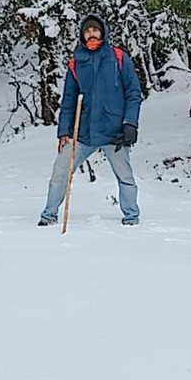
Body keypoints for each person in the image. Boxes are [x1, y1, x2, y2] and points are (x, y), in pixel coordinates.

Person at [38, 13, 142, 227]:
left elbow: (133, 93)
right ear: (82, 36)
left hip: (114, 133)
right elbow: (68, 99)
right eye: (87, 31)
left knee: (125, 177)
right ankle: (48, 216)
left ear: (102, 32)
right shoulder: (76, 63)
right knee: (60, 172)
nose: (91, 34)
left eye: (95, 30)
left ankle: (131, 217)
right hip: (83, 132)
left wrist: (130, 123)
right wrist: (63, 132)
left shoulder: (119, 58)